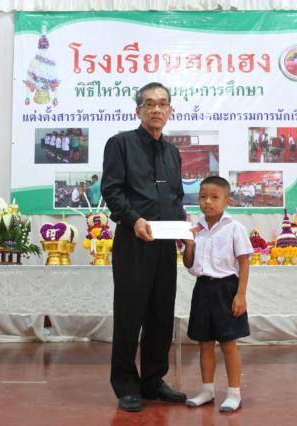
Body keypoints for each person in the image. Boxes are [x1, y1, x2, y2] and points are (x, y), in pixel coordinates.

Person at [101, 82, 186, 412]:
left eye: (162, 104)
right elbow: (112, 190)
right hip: (133, 241)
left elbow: (176, 197)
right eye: (149, 104)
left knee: (161, 315)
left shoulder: (172, 152)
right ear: (138, 110)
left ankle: (153, 380)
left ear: (170, 110)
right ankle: (125, 384)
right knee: (129, 314)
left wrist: (184, 230)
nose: (156, 109)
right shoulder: (120, 144)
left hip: (165, 244)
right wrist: (134, 219)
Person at [182, 176, 253, 413]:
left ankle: (234, 393)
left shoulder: (235, 228)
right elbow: (189, 265)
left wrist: (240, 295)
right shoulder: (195, 229)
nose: (207, 202)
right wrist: (188, 245)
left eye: (214, 197)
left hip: (227, 289)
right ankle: (207, 390)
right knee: (204, 343)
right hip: (202, 288)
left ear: (227, 201)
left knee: (228, 344)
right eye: (203, 197)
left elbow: (244, 263)